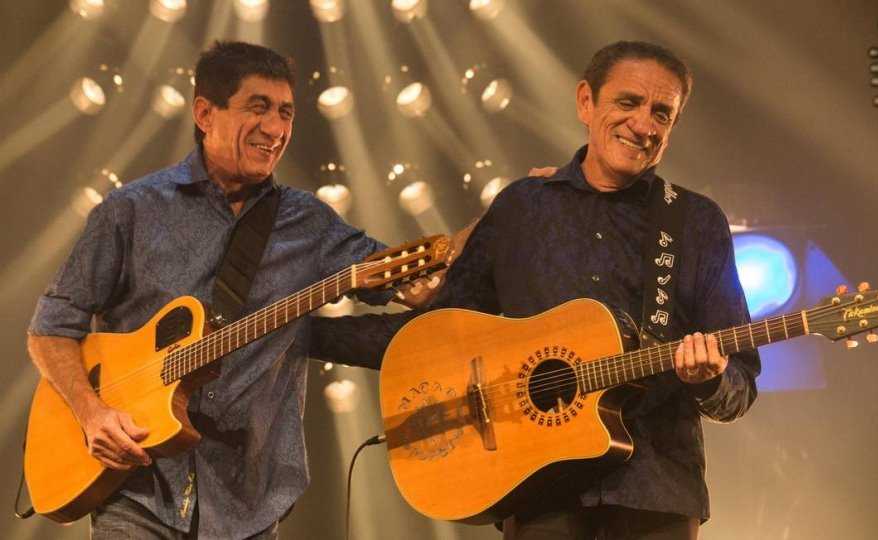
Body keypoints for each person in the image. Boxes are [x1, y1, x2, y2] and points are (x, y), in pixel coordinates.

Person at [311, 41, 761, 539]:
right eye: (628, 102)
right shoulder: (522, 208)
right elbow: (434, 335)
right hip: (539, 492)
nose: (644, 125)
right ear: (586, 102)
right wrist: (304, 335)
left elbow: (739, 387)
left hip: (656, 495)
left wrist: (708, 379)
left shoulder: (695, 221)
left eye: (662, 114)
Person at [26, 41, 443, 539]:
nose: (276, 128)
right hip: (138, 494)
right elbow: (50, 329)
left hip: (248, 505)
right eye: (258, 107)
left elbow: (410, 282)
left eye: (286, 112)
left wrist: (448, 267)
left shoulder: (309, 222)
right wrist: (91, 412)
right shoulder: (131, 210)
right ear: (205, 113)